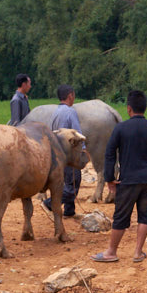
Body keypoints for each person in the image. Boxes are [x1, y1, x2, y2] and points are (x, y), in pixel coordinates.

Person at [94, 89, 147, 263]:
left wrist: (110, 178)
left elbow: (110, 154)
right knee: (145, 216)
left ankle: (111, 252)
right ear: (145, 108)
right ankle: (138, 253)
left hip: (127, 180)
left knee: (121, 217)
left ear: (128, 109)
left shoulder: (120, 128)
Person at [48, 84, 83, 218]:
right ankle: (49, 203)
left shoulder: (55, 112)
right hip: (69, 153)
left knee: (65, 181)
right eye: (73, 96)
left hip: (56, 153)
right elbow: (77, 133)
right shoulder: (70, 111)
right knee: (73, 184)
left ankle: (69, 210)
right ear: (70, 96)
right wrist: (83, 151)